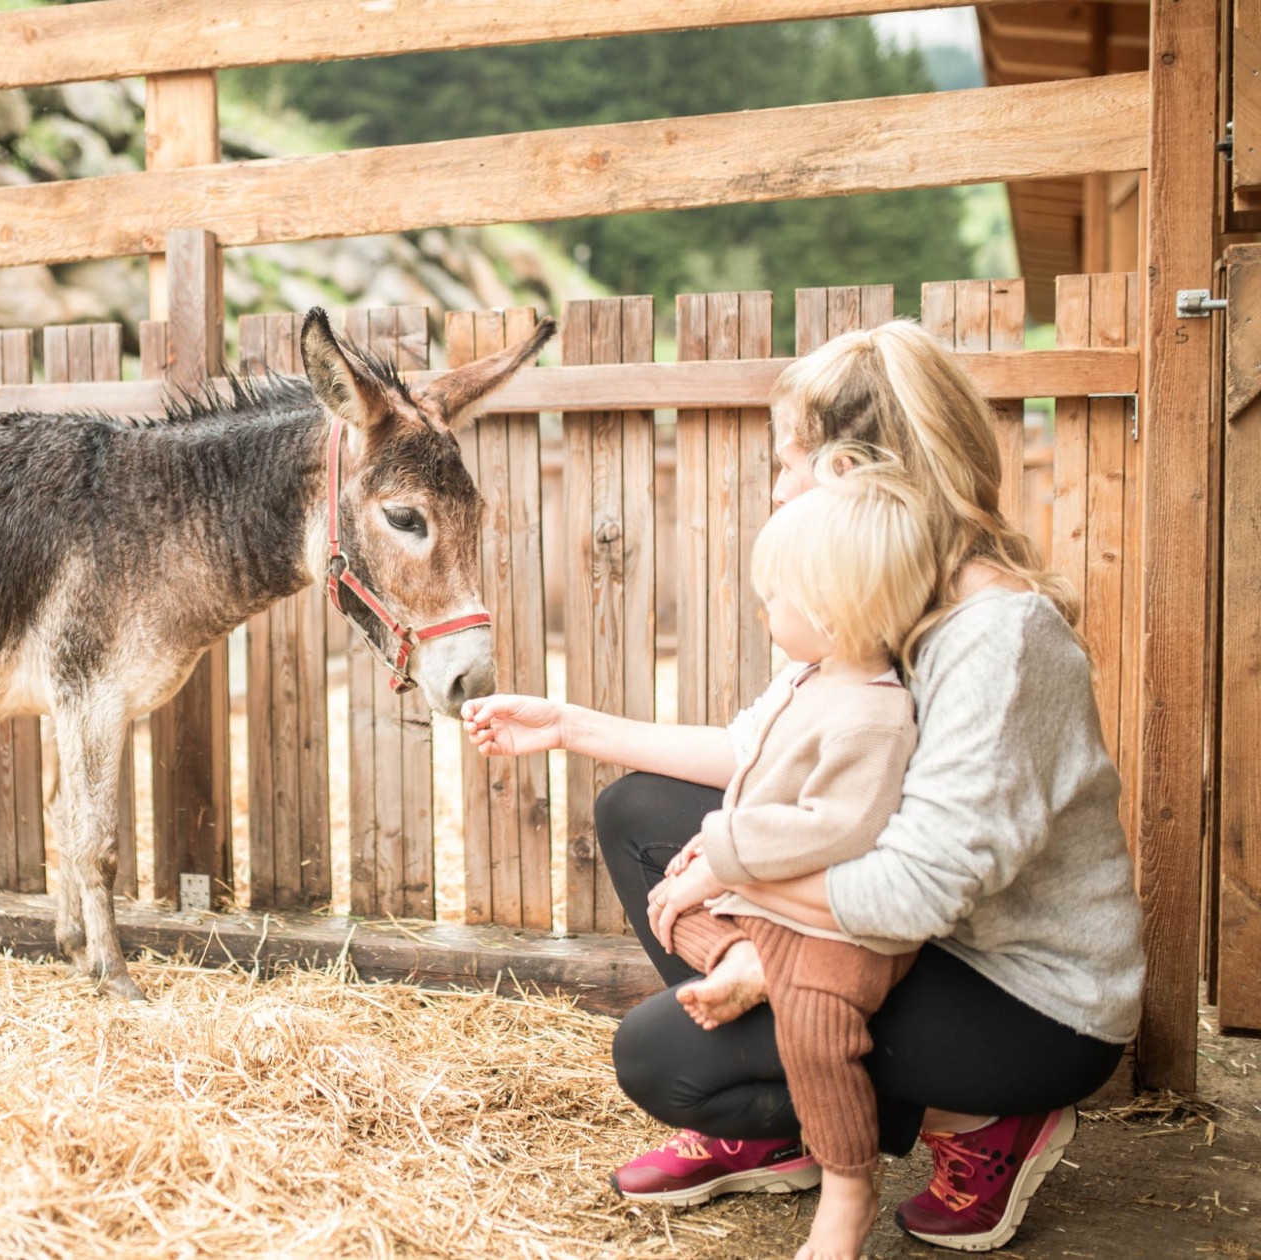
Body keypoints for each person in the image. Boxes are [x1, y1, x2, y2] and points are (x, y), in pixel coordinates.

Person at [460, 320, 1145, 1254]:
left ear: (851, 473)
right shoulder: (889, 597)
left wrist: (731, 877)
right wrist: (571, 727)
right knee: (638, 811)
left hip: (1017, 996)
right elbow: (760, 751)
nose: (775, 487)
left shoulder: (998, 639)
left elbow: (915, 892)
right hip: (904, 944)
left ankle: (983, 1122)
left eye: (785, 462)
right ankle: (788, 1125)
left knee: (665, 1060)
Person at [648, 466, 935, 1260]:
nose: (765, 610)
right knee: (671, 902)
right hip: (769, 900)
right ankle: (744, 959)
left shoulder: (874, 715)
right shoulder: (810, 680)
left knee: (816, 1031)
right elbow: (758, 773)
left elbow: (837, 828)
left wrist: (730, 848)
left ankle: (848, 1182)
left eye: (776, 599)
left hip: (835, 930)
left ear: (834, 612)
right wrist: (719, 849)